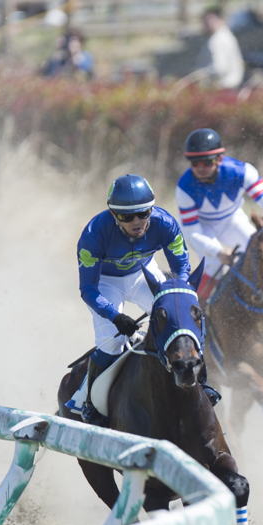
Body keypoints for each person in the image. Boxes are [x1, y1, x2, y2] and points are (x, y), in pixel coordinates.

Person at [77, 174, 213, 425]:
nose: (137, 222)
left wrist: (176, 294)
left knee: (182, 320)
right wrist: (115, 316)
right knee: (110, 343)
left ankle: (203, 383)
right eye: (127, 217)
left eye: (143, 213)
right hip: (106, 283)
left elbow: (182, 267)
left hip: (145, 274)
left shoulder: (165, 223)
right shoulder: (94, 234)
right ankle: (87, 402)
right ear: (113, 214)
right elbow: (88, 288)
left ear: (152, 209)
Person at [174, 128, 263, 320]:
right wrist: (219, 251)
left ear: (219, 159)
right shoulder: (184, 186)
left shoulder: (242, 171)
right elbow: (192, 232)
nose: (201, 167)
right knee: (213, 265)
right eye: (195, 162)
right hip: (204, 228)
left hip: (232, 220)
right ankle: (197, 314)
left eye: (207, 161)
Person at [195, 6, 245, 90]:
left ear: (221, 19)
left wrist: (198, 75)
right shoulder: (226, 35)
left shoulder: (216, 40)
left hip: (223, 86)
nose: (206, 24)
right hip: (232, 84)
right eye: (205, 21)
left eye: (210, 20)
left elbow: (219, 68)